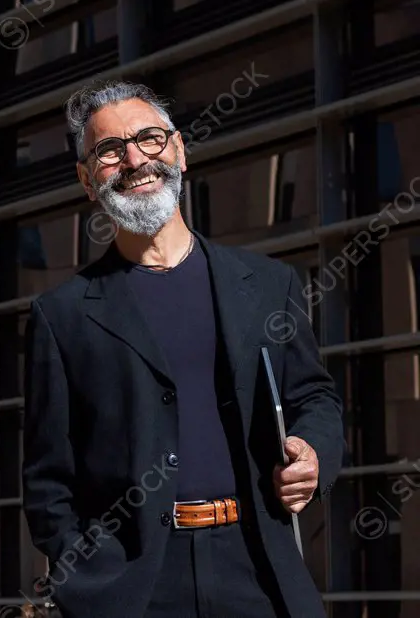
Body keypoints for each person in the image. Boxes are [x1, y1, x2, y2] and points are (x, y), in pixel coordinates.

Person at [21, 80, 345, 618]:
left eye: (149, 138)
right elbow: (47, 479)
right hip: (135, 586)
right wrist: (87, 583)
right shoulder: (63, 316)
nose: (134, 159)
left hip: (259, 568)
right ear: (86, 180)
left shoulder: (269, 285)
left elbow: (314, 396)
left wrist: (313, 451)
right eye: (108, 150)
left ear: (179, 152)